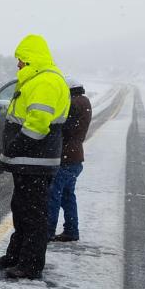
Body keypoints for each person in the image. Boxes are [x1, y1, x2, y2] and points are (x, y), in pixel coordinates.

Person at [0, 34, 70, 280]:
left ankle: (31, 265)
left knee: (33, 214)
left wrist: (12, 149)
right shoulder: (35, 80)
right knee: (21, 210)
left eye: (20, 60)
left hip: (36, 161)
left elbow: (38, 125)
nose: (18, 65)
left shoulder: (46, 82)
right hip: (27, 162)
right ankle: (16, 256)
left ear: (31, 59)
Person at [47, 78, 92, 242]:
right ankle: (71, 230)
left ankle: (48, 231)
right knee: (67, 196)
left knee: (54, 195)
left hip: (65, 157)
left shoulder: (73, 104)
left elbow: (63, 127)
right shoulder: (84, 101)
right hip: (75, 157)